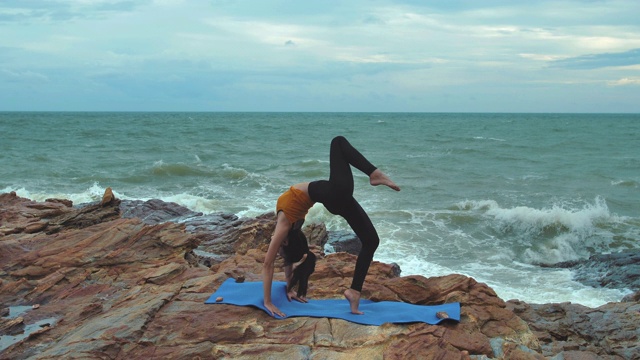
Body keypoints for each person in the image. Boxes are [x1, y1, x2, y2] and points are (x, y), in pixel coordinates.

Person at [262, 136, 400, 317]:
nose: (278, 248)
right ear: (286, 242)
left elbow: (287, 259)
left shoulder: (290, 230)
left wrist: (289, 289)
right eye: (280, 247)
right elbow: (267, 264)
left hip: (336, 198)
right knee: (338, 142)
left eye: (279, 248)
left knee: (371, 241)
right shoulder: (285, 225)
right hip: (333, 194)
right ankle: (374, 173)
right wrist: (268, 302)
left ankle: (354, 292)